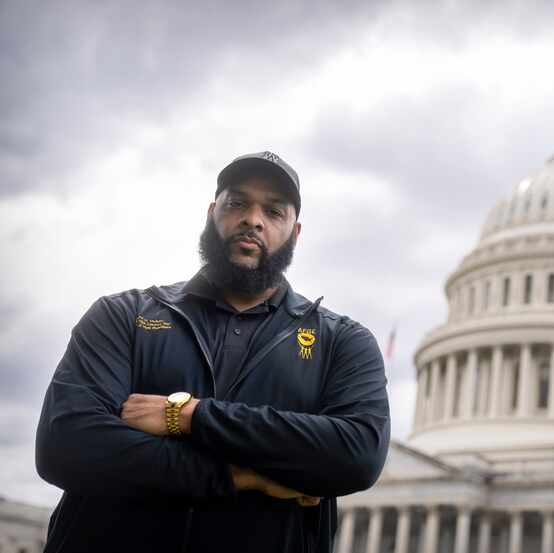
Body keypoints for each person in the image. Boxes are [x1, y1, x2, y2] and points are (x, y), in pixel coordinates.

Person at [35, 151, 391, 553]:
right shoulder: (124, 315)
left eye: (274, 211)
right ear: (211, 213)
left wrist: (189, 416)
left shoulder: (342, 342)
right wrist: (239, 475)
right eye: (237, 203)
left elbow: (357, 455)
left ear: (295, 233)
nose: (252, 220)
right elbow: (65, 445)